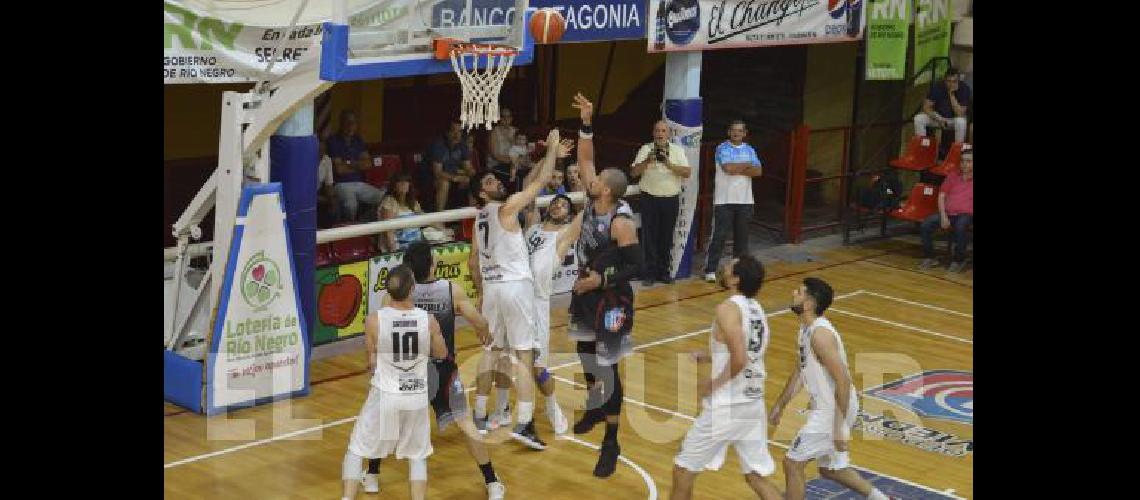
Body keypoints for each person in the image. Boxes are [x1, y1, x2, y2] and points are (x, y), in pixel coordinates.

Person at [363, 243, 506, 499]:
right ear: (433, 265)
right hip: (442, 371)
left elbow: (381, 334)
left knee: (388, 422)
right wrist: (484, 332)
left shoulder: (393, 297)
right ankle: (492, 481)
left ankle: (372, 476)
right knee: (466, 424)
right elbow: (479, 321)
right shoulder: (451, 290)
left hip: (404, 371)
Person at [468, 127, 572, 450]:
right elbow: (539, 186)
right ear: (482, 194)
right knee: (524, 354)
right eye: (488, 183)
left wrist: (483, 293)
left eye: (494, 180)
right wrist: (552, 150)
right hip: (515, 289)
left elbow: (473, 263)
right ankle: (525, 422)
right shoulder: (506, 208)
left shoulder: (477, 219)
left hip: (492, 288)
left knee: (491, 353)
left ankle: (481, 414)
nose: (496, 182)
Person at [566, 93, 644, 478]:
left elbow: (637, 265)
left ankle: (611, 441)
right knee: (584, 354)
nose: (589, 178)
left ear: (607, 191)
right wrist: (585, 123)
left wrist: (601, 278)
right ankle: (596, 404)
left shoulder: (621, 221)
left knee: (609, 367)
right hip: (585, 294)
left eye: (596, 180)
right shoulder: (590, 204)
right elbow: (584, 158)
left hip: (612, 299)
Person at [769, 278, 892, 500]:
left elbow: (843, 382)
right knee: (830, 469)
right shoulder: (805, 329)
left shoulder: (820, 335)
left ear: (809, 303)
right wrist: (780, 404)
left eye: (799, 292)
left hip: (834, 407)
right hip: (830, 406)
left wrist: (838, 427)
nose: (793, 293)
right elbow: (800, 371)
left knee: (792, 464)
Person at [670, 256, 781, 500]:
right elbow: (747, 352)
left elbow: (740, 358)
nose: (726, 265)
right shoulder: (756, 309)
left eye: (731, 265)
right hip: (753, 403)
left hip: (727, 406)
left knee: (683, 470)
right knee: (755, 476)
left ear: (735, 279)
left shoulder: (727, 308)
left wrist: (713, 384)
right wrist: (710, 356)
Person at [340, 265, 447, 500]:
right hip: (416, 395)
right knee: (417, 455)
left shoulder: (374, 320)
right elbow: (441, 353)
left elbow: (371, 363)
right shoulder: (428, 320)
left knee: (358, 448)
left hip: (386, 393)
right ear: (412, 289)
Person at [630, 120, 691, 285]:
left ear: (668, 134)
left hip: (670, 199)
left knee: (666, 236)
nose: (660, 134)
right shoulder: (645, 149)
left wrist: (669, 164)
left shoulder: (677, 151)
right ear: (653, 132)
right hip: (649, 198)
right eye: (657, 130)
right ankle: (649, 273)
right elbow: (634, 172)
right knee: (649, 237)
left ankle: (663, 272)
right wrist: (647, 161)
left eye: (663, 131)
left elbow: (687, 172)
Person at [704, 120, 763, 282]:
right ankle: (710, 270)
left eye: (740, 131)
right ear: (729, 132)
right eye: (733, 130)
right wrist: (746, 165)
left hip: (745, 201)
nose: (736, 133)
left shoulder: (750, 149)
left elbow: (758, 171)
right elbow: (727, 169)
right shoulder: (722, 148)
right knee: (719, 236)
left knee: (742, 239)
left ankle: (739, 271)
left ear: (745, 133)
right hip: (724, 200)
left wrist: (738, 167)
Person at [919, 146, 973, 273]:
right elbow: (942, 195)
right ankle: (930, 256)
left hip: (967, 215)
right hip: (948, 213)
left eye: (969, 161)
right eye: (963, 161)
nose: (965, 164)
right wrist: (943, 215)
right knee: (926, 224)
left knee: (961, 226)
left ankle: (958, 260)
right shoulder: (953, 176)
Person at [328, 110, 384, 222]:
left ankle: (363, 222)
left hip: (360, 183)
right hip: (341, 184)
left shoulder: (358, 140)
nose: (350, 126)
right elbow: (339, 170)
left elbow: (368, 164)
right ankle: (350, 231)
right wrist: (358, 164)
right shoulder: (334, 140)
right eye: (347, 122)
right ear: (341, 123)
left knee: (383, 198)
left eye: (353, 123)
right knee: (351, 205)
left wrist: (348, 163)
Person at [913, 67, 970, 144]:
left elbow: (960, 113)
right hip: (938, 118)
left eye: (954, 81)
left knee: (961, 122)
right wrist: (938, 118)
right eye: (949, 81)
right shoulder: (937, 87)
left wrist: (951, 94)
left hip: (954, 120)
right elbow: (926, 107)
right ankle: (923, 147)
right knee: (918, 118)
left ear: (959, 81)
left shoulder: (964, 88)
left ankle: (957, 151)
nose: (951, 84)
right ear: (944, 80)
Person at [430, 121, 477, 211]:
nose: (456, 135)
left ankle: (471, 216)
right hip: (432, 177)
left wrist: (472, 174)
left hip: (452, 174)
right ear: (447, 133)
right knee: (445, 183)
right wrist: (455, 178)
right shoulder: (438, 145)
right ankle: (439, 218)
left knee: (471, 180)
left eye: (459, 132)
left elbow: (468, 167)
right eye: (453, 131)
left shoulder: (462, 144)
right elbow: (437, 172)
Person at [377, 173, 425, 253]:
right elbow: (389, 231)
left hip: (416, 246)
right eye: (399, 181)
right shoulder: (389, 202)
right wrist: (394, 251)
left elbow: (426, 218)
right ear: (394, 186)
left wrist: (443, 230)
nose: (403, 184)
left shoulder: (413, 202)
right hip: (400, 247)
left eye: (406, 181)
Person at [487, 107, 518, 188]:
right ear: (500, 118)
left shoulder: (515, 131)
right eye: (503, 116)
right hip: (496, 164)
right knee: (516, 174)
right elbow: (495, 155)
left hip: (511, 163)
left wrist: (512, 141)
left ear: (511, 118)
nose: (506, 119)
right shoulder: (494, 132)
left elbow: (520, 150)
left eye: (508, 116)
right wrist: (511, 161)